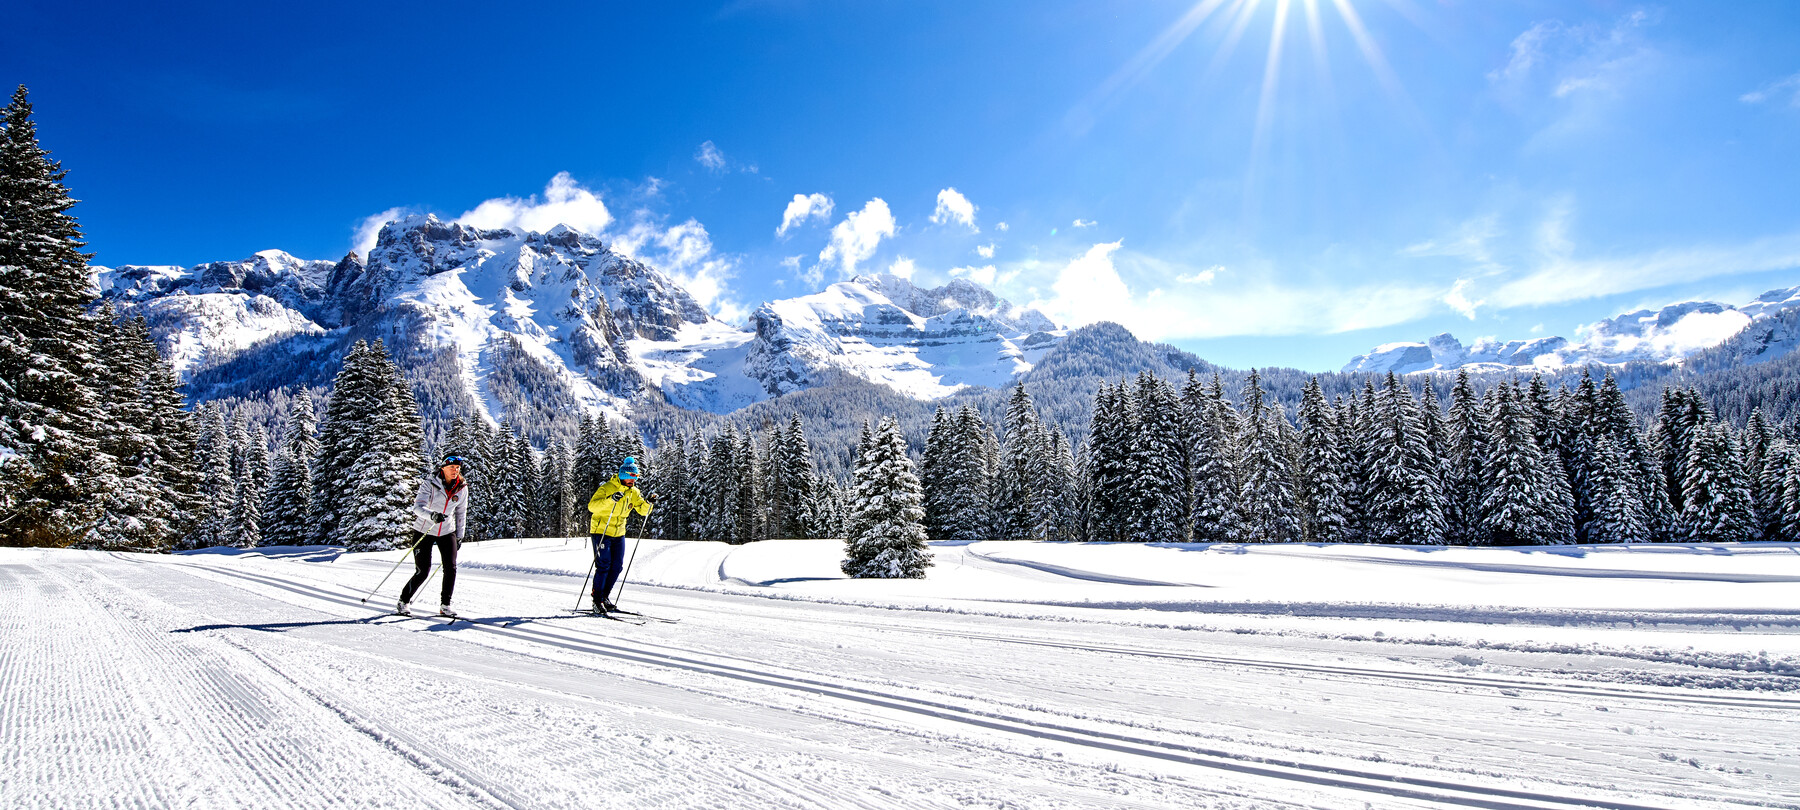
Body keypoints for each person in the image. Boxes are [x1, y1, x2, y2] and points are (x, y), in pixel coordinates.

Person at [398, 455, 470, 617]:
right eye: (452, 468)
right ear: (442, 468)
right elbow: (417, 508)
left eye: (458, 468)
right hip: (424, 530)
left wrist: (459, 535)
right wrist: (432, 515)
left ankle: (445, 605)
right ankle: (404, 601)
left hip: (447, 530)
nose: (455, 471)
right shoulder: (430, 484)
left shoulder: (462, 487)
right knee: (423, 571)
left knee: (450, 568)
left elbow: (461, 512)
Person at [586, 456, 653, 613]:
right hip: (601, 531)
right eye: (630, 478)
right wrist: (611, 500)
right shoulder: (607, 488)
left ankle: (604, 597)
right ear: (623, 476)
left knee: (617, 566)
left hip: (619, 533)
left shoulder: (634, 492)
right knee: (603, 565)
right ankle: (596, 600)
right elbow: (592, 507)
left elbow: (642, 511)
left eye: (635, 478)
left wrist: (648, 503)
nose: (633, 481)